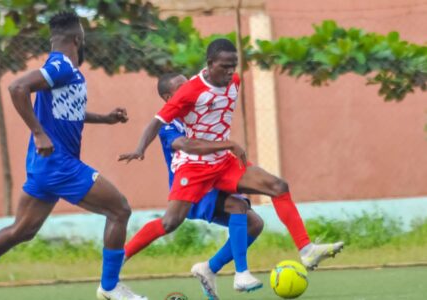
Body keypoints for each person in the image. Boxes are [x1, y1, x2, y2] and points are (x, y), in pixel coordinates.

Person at [0, 11, 146, 300]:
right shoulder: (62, 65)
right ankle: (110, 288)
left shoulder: (66, 71)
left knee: (21, 231)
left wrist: (106, 118)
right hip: (59, 164)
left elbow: (67, 113)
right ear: (78, 38)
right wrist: (38, 133)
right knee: (119, 209)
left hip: (45, 166)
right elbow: (17, 87)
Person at [119, 39, 344, 296]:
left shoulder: (232, 83)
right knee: (171, 222)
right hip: (193, 176)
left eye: (232, 66)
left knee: (274, 191)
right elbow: (178, 139)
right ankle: (120, 258)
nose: (230, 71)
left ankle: (304, 251)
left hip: (221, 164)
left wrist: (225, 146)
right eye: (225, 66)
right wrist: (139, 149)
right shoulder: (177, 113)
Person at [124, 73, 265, 298]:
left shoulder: (200, 109)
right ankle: (120, 256)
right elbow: (184, 144)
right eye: (182, 87)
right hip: (193, 186)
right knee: (170, 222)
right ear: (169, 97)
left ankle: (209, 268)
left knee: (254, 223)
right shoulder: (168, 123)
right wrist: (227, 144)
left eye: (189, 83)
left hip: (213, 178)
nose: (190, 88)